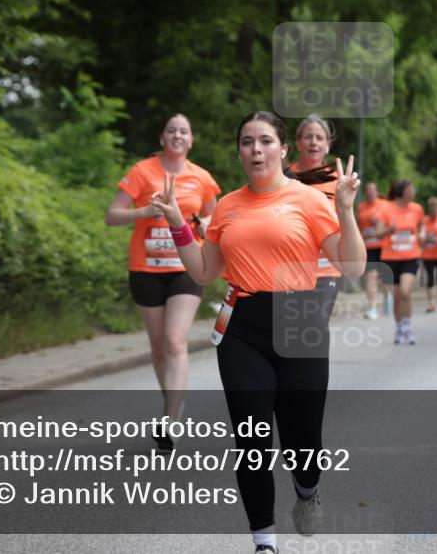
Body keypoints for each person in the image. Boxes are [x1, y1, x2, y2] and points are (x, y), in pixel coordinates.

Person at [150, 111, 365, 554]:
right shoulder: (227, 205)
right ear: (239, 151)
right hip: (243, 326)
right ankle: (263, 542)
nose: (256, 150)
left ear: (283, 149)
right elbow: (205, 272)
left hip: (300, 323)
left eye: (265, 141)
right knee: (252, 438)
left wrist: (344, 209)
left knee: (303, 439)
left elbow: (353, 265)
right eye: (247, 142)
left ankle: (307, 490)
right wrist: (177, 223)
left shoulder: (309, 200)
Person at [106, 114, 220, 450]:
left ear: (191, 139)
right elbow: (112, 216)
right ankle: (174, 401)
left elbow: (216, 220)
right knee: (158, 345)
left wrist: (202, 226)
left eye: (184, 131)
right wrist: (144, 213)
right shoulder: (143, 171)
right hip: (146, 267)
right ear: (162, 138)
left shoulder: (201, 178)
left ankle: (170, 419)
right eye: (171, 130)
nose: (178, 135)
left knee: (174, 340)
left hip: (187, 265)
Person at [291, 114, 343, 320]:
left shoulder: (338, 179)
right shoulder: (283, 176)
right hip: (288, 268)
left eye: (320, 138)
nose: (314, 142)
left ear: (328, 145)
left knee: (315, 326)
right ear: (298, 142)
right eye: (308, 137)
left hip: (325, 269)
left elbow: (345, 221)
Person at [376, 180, 425, 344]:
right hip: (391, 257)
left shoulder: (417, 209)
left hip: (411, 256)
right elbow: (378, 234)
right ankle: (399, 329)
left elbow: (422, 226)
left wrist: (422, 235)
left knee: (405, 291)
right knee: (397, 296)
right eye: (411, 190)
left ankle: (407, 327)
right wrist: (389, 229)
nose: (414, 192)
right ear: (401, 192)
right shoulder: (385, 208)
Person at [357, 182, 389, 320]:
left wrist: (378, 224)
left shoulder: (384, 205)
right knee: (370, 277)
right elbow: (359, 226)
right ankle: (372, 307)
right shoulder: (361, 207)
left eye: (372, 190)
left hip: (383, 246)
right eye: (368, 190)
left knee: (383, 280)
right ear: (365, 193)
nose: (370, 192)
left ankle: (388, 298)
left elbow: (392, 223)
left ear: (377, 192)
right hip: (368, 247)